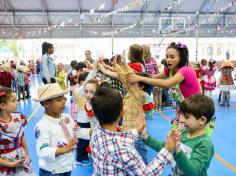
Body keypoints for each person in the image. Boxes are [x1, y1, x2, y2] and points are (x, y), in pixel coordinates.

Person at [90, 86, 179, 176]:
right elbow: (146, 174)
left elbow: (116, 138)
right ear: (122, 111)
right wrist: (167, 149)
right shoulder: (124, 149)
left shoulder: (96, 131)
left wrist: (136, 131)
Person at [127, 42, 200, 126]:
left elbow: (167, 83)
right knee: (177, 135)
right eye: (167, 57)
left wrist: (141, 78)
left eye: (172, 57)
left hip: (195, 111)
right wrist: (137, 77)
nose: (168, 59)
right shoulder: (170, 70)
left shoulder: (186, 70)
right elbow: (153, 78)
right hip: (183, 111)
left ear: (181, 57)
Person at [142, 94, 215, 176]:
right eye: (182, 116)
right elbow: (166, 147)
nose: (182, 120)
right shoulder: (184, 132)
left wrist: (177, 149)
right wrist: (146, 137)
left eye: (187, 117)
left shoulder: (204, 144)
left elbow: (195, 171)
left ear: (202, 120)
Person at [33, 83, 78, 175]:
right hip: (52, 171)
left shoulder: (66, 117)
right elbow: (42, 151)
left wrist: (90, 132)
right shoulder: (42, 126)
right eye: (59, 100)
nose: (63, 102)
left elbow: (77, 130)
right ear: (46, 103)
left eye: (64, 98)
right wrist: (64, 149)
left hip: (66, 167)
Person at [0, 87, 34, 175]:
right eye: (13, 100)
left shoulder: (18, 117)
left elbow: (22, 137)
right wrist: (10, 164)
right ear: (3, 105)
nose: (17, 102)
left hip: (21, 158)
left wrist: (26, 153)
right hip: (6, 165)